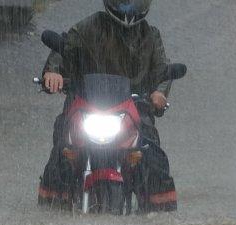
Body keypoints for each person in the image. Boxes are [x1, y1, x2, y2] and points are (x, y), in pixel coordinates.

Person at [38, 0, 178, 212]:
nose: (128, 6)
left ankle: (160, 216)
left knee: (152, 155)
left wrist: (159, 93)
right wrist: (52, 72)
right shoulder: (89, 26)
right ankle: (50, 209)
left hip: (134, 109)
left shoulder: (151, 35)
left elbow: (162, 72)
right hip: (86, 106)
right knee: (62, 150)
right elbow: (64, 49)